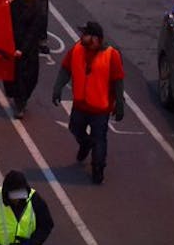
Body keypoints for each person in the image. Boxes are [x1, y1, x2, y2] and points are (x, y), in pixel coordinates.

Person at [52, 21, 125, 184]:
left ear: (95, 38)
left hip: (100, 107)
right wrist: (58, 88)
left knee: (99, 139)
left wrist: (120, 103)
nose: (81, 36)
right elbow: (65, 69)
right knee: (75, 128)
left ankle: (98, 169)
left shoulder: (111, 55)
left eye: (85, 34)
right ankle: (85, 144)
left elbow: (118, 81)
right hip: (80, 103)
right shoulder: (77, 49)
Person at [3, 0, 45, 118]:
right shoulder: (14, 3)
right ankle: (19, 103)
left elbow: (33, 31)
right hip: (14, 45)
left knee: (31, 77)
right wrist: (5, 2)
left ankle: (22, 99)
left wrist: (23, 49)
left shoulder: (37, 7)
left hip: (29, 49)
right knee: (17, 77)